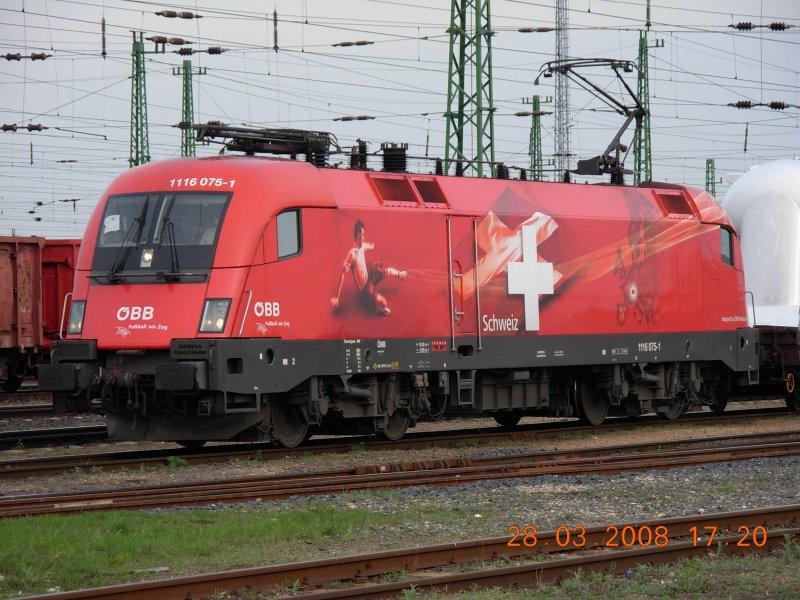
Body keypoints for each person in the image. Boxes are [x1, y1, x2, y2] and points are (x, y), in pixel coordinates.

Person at [331, 219, 407, 316]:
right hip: (364, 288)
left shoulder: (362, 246)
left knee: (383, 269)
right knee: (383, 302)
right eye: (362, 234)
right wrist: (337, 297)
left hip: (369, 274)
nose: (363, 237)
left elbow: (369, 246)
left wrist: (371, 246)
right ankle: (382, 309)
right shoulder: (352, 254)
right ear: (357, 235)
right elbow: (342, 275)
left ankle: (400, 275)